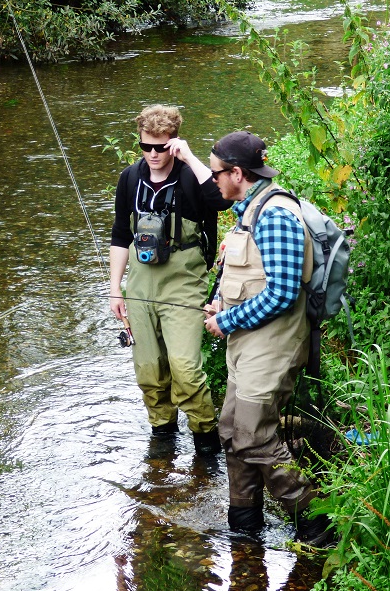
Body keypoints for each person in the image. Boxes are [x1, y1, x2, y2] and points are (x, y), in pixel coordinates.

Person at [202, 130, 333, 546]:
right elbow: (246, 275)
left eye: (216, 173)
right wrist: (221, 303)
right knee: (230, 427)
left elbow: (282, 292)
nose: (213, 180)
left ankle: (316, 522)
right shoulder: (248, 208)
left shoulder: (275, 216)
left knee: (255, 434)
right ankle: (244, 521)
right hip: (248, 342)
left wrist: (227, 320)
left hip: (274, 345)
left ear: (237, 172)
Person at [109, 105, 232, 455]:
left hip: (184, 280)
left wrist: (191, 158)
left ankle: (205, 440)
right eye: (145, 146)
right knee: (149, 369)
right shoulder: (130, 178)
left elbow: (221, 201)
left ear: (174, 142)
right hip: (140, 284)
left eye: (160, 147)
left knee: (184, 368)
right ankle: (162, 437)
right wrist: (114, 289)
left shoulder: (194, 177)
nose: (152, 155)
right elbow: (121, 235)